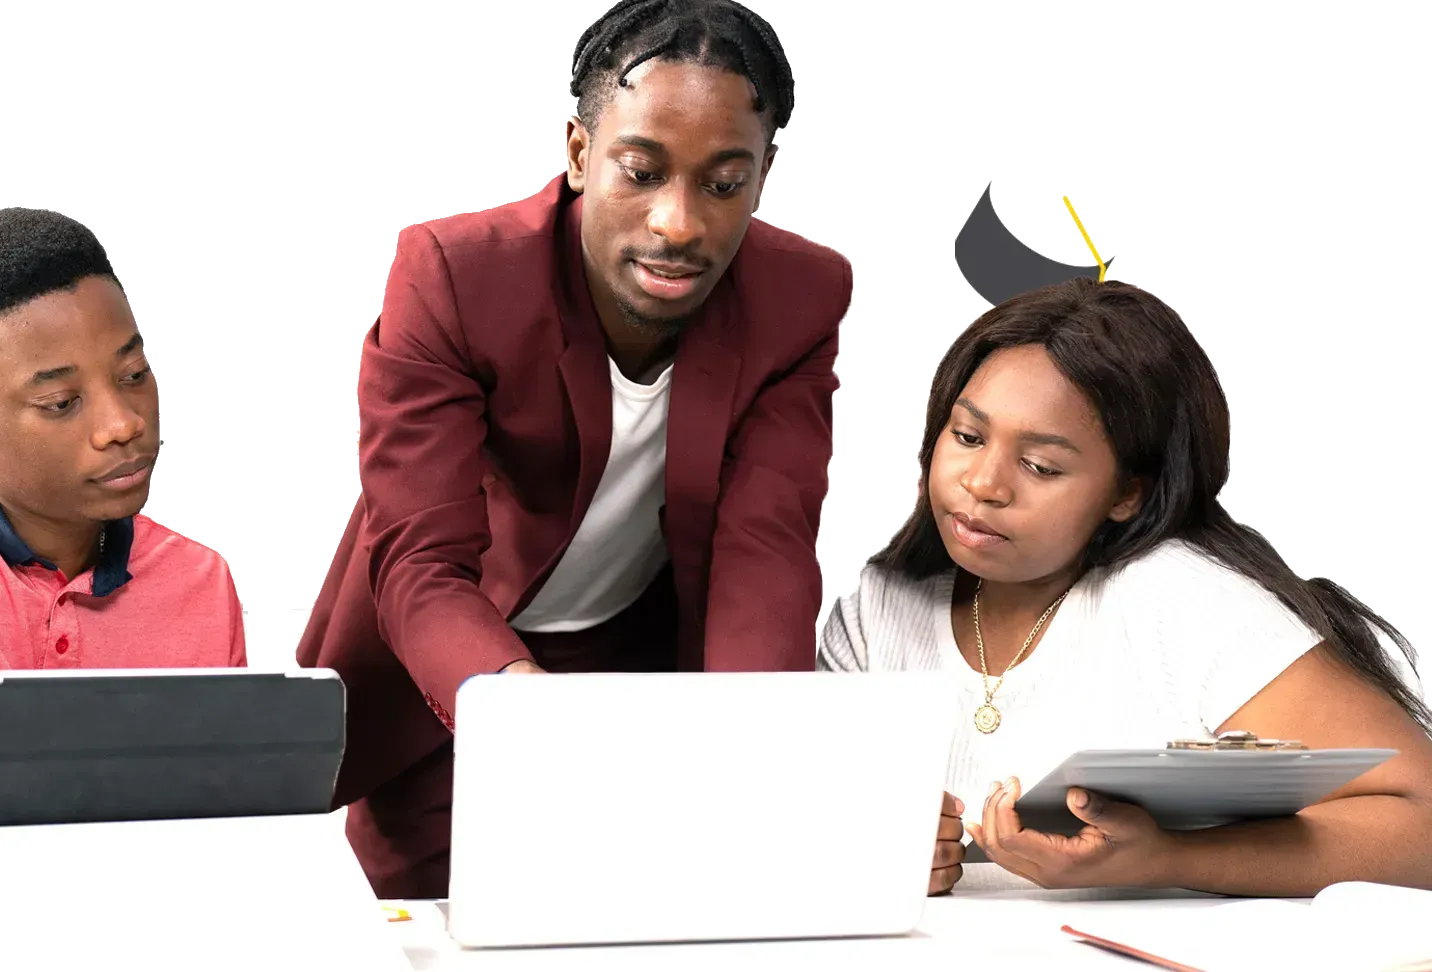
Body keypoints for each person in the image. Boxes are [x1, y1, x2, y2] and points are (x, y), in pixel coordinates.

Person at [298, 0, 853, 899]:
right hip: (456, 675)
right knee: (420, 920)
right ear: (578, 150)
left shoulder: (799, 297)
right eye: (641, 171)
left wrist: (751, 756)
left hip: (641, 678)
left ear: (761, 177)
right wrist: (525, 720)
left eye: (723, 183)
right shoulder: (455, 274)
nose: (679, 224)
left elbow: (767, 547)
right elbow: (419, 563)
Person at [819, 277, 1432, 897]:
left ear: (1126, 493)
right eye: (968, 436)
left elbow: (1421, 819)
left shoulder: (1179, 599)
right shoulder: (877, 608)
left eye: (1041, 466)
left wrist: (1168, 858)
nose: (983, 483)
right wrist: (851, 842)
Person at [0, 207, 248, 916]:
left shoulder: (198, 583)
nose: (122, 424)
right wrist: (47, 857)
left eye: (133, 374)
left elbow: (215, 839)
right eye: (61, 402)